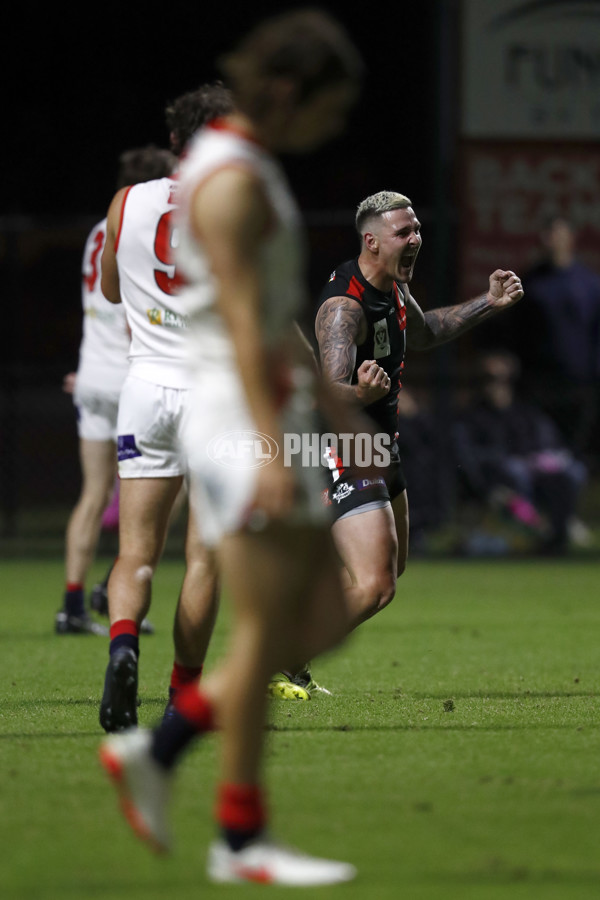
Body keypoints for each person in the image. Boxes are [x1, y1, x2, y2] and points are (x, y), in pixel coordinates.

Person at [99, 9, 364, 885]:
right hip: (231, 420)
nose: (331, 128)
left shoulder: (233, 168)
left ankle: (168, 762)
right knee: (286, 620)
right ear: (288, 90)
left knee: (307, 617)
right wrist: (277, 450)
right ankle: (233, 828)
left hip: (231, 410)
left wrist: (334, 403)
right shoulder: (232, 177)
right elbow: (249, 324)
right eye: (329, 109)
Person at [310, 191, 524, 633]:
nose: (416, 238)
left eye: (418, 229)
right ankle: (280, 659)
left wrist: (488, 302)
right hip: (348, 448)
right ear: (371, 241)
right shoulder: (344, 308)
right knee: (376, 585)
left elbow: (425, 333)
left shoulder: (394, 288)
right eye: (403, 232)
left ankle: (299, 609)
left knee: (392, 569)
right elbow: (326, 395)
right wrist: (361, 395)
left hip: (381, 447)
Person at [98, 83, 234, 733]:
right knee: (204, 557)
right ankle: (184, 694)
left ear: (175, 143)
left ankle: (123, 643)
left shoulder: (127, 202)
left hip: (146, 388)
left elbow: (110, 288)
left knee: (135, 553)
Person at [55, 145, 176, 637]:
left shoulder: (99, 230)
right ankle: (118, 586)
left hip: (91, 375)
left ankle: (73, 604)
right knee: (168, 486)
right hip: (131, 374)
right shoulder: (145, 225)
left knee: (93, 494)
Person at [452, 350, 588, 555]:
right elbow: (468, 458)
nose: (496, 385)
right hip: (500, 480)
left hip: (539, 476)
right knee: (515, 470)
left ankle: (560, 533)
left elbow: (550, 443)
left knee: (574, 471)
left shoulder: (527, 413)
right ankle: (533, 531)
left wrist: (543, 459)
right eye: (488, 379)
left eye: (502, 378)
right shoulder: (471, 418)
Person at [515, 217, 600, 459]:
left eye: (557, 234)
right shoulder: (531, 283)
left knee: (575, 451)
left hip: (581, 383)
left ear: (570, 239)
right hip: (540, 383)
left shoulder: (590, 284)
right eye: (547, 234)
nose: (551, 240)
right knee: (542, 450)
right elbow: (519, 331)